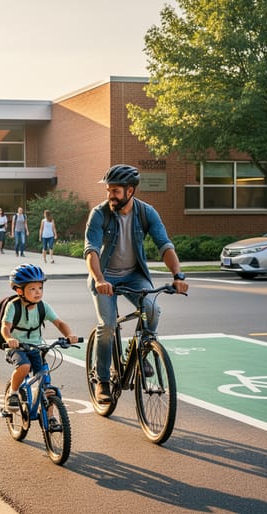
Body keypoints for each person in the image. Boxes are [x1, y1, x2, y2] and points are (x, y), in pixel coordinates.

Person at [84, 164, 188, 404]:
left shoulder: (146, 213)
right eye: (108, 190)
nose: (110, 195)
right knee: (108, 327)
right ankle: (102, 380)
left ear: (130, 191)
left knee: (152, 308)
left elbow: (165, 245)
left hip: (134, 274)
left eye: (115, 191)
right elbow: (91, 250)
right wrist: (100, 280)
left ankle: (144, 348)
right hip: (105, 276)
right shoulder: (99, 214)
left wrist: (178, 276)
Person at [0, 264, 77, 416]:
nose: (38, 292)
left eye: (40, 288)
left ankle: (51, 418)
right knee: (24, 367)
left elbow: (59, 323)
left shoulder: (43, 307)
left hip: (37, 347)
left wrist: (69, 335)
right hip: (16, 348)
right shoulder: (13, 306)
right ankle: (13, 394)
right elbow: (5, 327)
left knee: (47, 384)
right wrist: (9, 338)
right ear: (19, 291)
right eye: (32, 289)